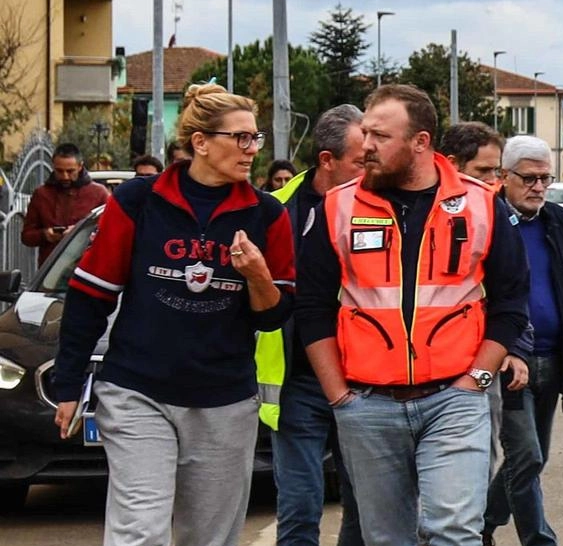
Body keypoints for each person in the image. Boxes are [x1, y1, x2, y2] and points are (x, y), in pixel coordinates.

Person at [51, 83, 296, 546]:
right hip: (137, 391)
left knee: (208, 538)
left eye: (255, 138)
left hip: (224, 399)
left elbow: (272, 318)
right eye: (239, 137)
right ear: (201, 142)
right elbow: (90, 295)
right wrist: (68, 384)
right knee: (139, 532)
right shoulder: (138, 202)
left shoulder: (267, 215)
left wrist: (258, 276)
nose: (252, 149)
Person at [295, 84, 530, 546]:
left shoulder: (480, 204)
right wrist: (339, 398)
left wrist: (477, 383)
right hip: (367, 405)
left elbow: (511, 301)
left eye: (380, 136)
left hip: (454, 400)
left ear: (420, 142)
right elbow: (312, 308)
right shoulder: (337, 207)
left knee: (455, 531)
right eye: (365, 133)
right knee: (386, 538)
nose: (366, 146)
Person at [482, 135, 563, 546]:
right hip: (506, 359)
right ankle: (540, 540)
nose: (538, 187)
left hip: (554, 359)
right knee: (526, 456)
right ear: (504, 176)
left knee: (534, 459)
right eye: (529, 178)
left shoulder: (560, 221)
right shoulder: (488, 219)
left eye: (545, 179)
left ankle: (481, 523)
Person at [256, 104, 367, 546]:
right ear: (327, 160)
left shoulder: (379, 207)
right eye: (360, 160)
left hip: (365, 380)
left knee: (365, 505)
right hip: (296, 381)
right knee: (300, 505)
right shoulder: (274, 212)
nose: (369, 168)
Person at [441, 121, 532, 486]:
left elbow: (513, 295)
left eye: (496, 171)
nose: (492, 181)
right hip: (410, 383)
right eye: (482, 171)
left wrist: (483, 373)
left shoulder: (493, 213)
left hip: (475, 375)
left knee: (476, 476)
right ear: (450, 164)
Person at [21, 142, 110, 267]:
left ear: (80, 166)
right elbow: (26, 236)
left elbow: (110, 233)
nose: (65, 176)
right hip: (51, 272)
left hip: (86, 268)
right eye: (59, 171)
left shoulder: (99, 194)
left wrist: (80, 233)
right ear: (53, 167)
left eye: (70, 171)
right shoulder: (41, 194)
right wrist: (45, 235)